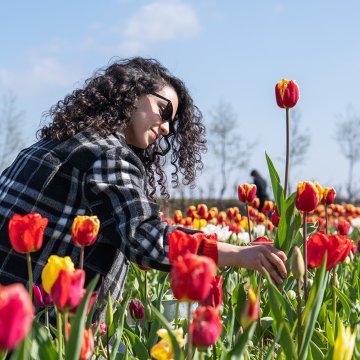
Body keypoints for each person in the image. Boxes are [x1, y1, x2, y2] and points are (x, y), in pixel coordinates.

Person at [0, 57, 287, 316]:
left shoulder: (53, 144)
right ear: (133, 93)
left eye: (170, 125)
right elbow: (144, 236)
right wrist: (238, 254)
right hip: (44, 325)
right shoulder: (109, 152)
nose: (165, 128)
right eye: (164, 111)